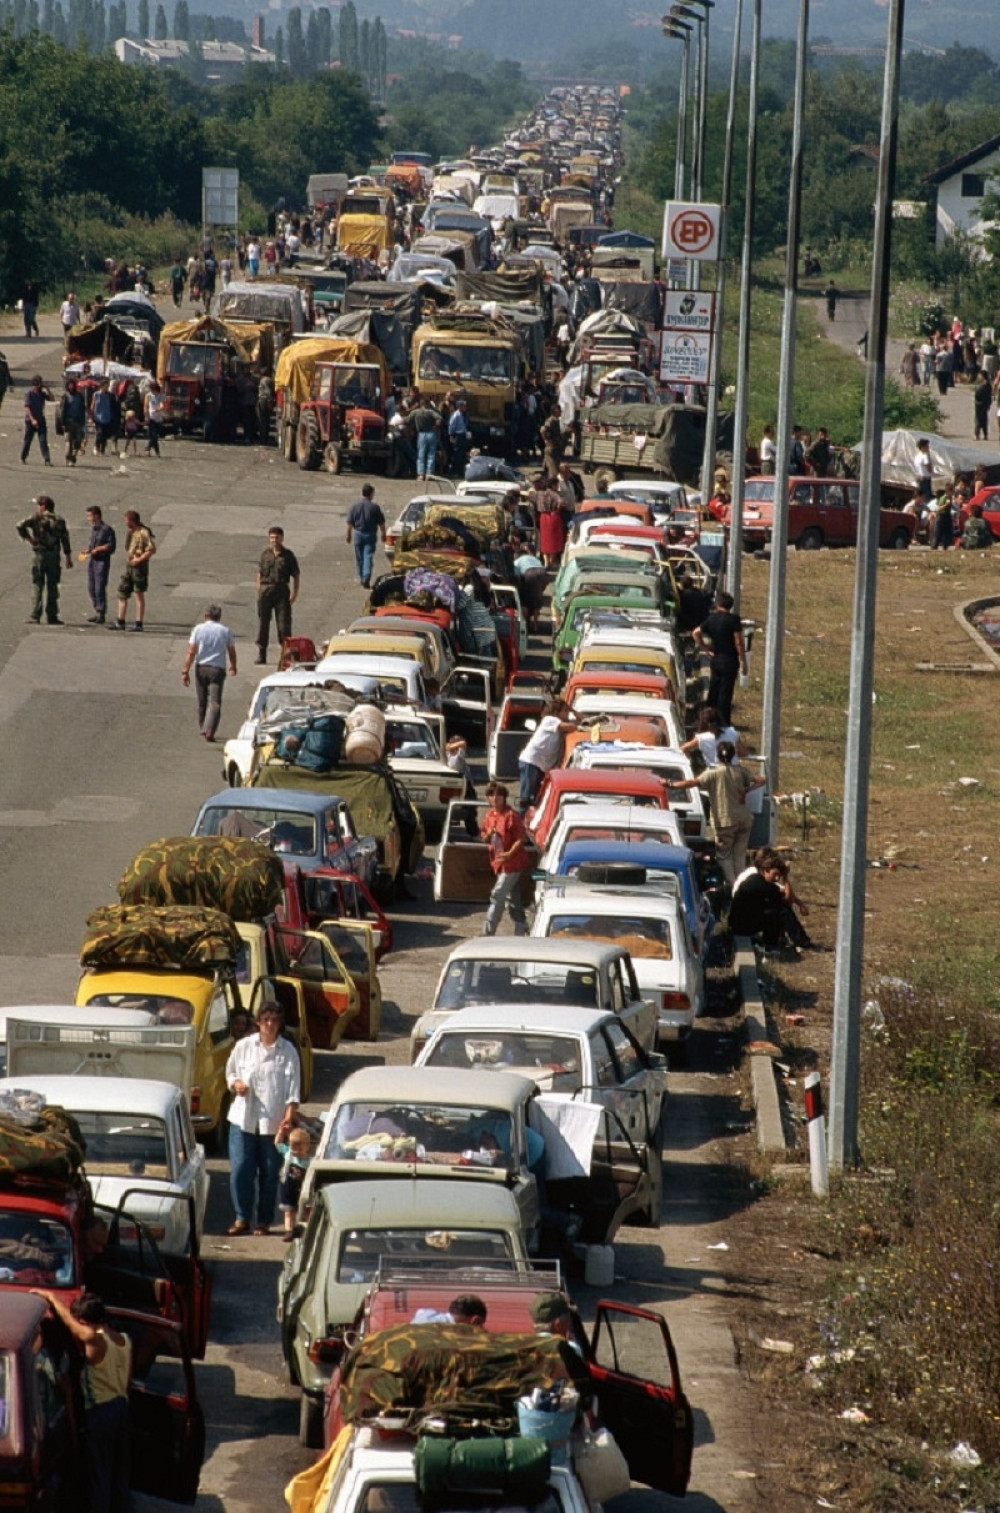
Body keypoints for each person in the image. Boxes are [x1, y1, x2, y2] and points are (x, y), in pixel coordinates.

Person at [32, 1288, 131, 1513]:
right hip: (122, 1409)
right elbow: (126, 1382)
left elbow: (71, 1323)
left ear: (85, 1322)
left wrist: (52, 1299)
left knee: (99, 1477)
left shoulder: (94, 1340)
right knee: (119, 1476)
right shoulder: (124, 1341)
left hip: (101, 1412)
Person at [226, 1000, 301, 1236]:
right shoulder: (244, 1046)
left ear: (280, 1024)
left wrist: (288, 1120)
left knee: (270, 1173)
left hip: (273, 1124)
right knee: (241, 1168)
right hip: (243, 1119)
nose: (269, 1024)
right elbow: (230, 1073)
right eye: (265, 1019)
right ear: (258, 1022)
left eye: (274, 1020)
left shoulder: (288, 1052)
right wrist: (236, 1084)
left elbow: (293, 1092)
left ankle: (264, 1221)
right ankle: (242, 1218)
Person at [674, 741, 762, 887]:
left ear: (718, 756)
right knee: (739, 854)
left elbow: (692, 783)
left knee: (724, 855)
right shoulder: (740, 771)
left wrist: (671, 784)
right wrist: (747, 791)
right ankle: (742, 884)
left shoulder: (713, 774)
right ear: (733, 755)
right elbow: (761, 780)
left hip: (724, 820)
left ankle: (733, 885)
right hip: (744, 819)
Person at [480, 784, 532, 937]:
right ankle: (521, 927)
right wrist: (488, 834)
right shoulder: (489, 815)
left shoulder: (511, 815)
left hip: (513, 863)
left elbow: (521, 838)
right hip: (499, 863)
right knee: (514, 898)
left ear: (504, 797)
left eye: (499, 795)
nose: (495, 799)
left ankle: (488, 931)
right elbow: (484, 837)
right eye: (492, 795)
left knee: (497, 894)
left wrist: (509, 854)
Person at [181, 603, 238, 742]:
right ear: (219, 617)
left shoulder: (198, 629)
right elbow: (231, 651)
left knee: (202, 700)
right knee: (215, 702)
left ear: (206, 616)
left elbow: (191, 651)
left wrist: (185, 670)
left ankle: (202, 726)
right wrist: (233, 666)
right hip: (217, 669)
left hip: (201, 667)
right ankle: (210, 730)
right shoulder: (225, 631)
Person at [693, 591, 748, 726]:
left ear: (718, 604)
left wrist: (706, 650)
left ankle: (708, 718)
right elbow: (738, 642)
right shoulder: (734, 620)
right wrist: (744, 661)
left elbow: (695, 633)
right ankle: (723, 721)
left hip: (716, 658)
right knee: (725, 692)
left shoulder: (711, 619)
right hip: (730, 660)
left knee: (714, 689)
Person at [17, 494, 73, 625]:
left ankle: (35, 614)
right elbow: (65, 539)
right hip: (54, 555)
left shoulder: (36, 517)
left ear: (43, 506)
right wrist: (68, 557)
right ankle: (52, 616)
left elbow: (19, 525)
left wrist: (29, 539)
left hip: (39, 555)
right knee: (53, 586)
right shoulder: (59, 520)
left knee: (38, 584)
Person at [518, 698, 577, 809]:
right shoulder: (550, 720)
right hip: (531, 762)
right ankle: (520, 822)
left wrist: (573, 710)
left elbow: (581, 719)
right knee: (527, 798)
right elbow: (572, 726)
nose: (567, 713)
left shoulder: (561, 723)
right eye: (565, 711)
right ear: (556, 712)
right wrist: (581, 726)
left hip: (541, 766)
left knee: (535, 799)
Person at [256, 525, 300, 665]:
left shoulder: (288, 556)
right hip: (266, 592)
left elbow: (296, 575)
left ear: (282, 538)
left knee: (283, 625)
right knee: (263, 624)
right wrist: (260, 590)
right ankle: (262, 653)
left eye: (277, 537)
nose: (274, 540)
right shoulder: (265, 554)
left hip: (281, 592)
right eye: (272, 537)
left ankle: (285, 655)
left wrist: (294, 594)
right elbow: (259, 573)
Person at [80, 505, 116, 624]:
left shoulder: (107, 529)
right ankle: (97, 609)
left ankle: (101, 612)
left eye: (89, 516)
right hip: (93, 560)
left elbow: (111, 546)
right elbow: (93, 545)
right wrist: (88, 550)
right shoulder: (94, 529)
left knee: (99, 586)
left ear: (96, 515)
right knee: (91, 587)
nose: (88, 518)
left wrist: (99, 549)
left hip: (102, 561)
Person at [276, 1125, 313, 1241]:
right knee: (289, 1211)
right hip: (288, 1186)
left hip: (302, 1188)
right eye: (293, 1148)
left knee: (305, 1211)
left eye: (299, 1149)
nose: (296, 1152)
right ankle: (289, 1231)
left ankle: (305, 1230)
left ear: (307, 1147)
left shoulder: (309, 1160)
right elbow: (277, 1144)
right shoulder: (288, 1153)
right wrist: (281, 1133)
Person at [345, 483, 386, 588]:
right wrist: (383, 534)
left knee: (359, 557)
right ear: (371, 494)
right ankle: (366, 576)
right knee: (368, 555)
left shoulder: (355, 506)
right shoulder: (375, 507)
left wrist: (348, 535)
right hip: (370, 534)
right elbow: (381, 523)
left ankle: (362, 576)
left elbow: (349, 523)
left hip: (358, 534)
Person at [681, 706, 748, 768]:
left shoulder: (701, 738)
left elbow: (682, 749)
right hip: (734, 771)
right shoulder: (732, 732)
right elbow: (744, 752)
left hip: (714, 772)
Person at [21, 373, 54, 465]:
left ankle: (47, 459)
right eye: (37, 384)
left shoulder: (42, 394)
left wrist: (47, 389)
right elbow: (27, 407)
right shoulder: (29, 394)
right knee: (28, 440)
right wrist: (32, 420)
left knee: (43, 440)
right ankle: (23, 456)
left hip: (40, 420)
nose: (39, 386)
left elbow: (52, 399)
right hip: (30, 421)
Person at [56, 376, 87, 465]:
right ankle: (68, 458)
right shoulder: (65, 396)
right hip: (68, 421)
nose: (71, 387)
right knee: (68, 441)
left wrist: (82, 421)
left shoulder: (79, 396)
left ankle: (73, 456)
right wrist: (62, 423)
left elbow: (82, 409)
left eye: (72, 385)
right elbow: (62, 410)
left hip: (78, 422)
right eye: (69, 385)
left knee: (78, 440)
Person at [91, 377, 121, 456]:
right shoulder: (96, 394)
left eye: (107, 386)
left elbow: (114, 406)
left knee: (105, 434)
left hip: (107, 417)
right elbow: (93, 405)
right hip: (98, 417)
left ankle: (102, 450)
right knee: (99, 433)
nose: (106, 388)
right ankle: (96, 447)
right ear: (101, 386)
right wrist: (91, 416)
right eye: (104, 386)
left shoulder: (111, 395)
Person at [144, 379, 166, 456]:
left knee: (155, 436)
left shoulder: (161, 396)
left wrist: (159, 409)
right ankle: (150, 449)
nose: (153, 392)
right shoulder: (148, 395)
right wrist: (146, 416)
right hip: (151, 417)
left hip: (159, 419)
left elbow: (162, 405)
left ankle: (154, 451)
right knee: (153, 435)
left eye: (154, 391)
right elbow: (146, 406)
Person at [448, 397, 470, 475]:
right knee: (457, 454)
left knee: (462, 454)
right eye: (464, 406)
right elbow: (451, 426)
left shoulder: (464, 415)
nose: (465, 407)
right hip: (458, 436)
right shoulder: (456, 415)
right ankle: (454, 471)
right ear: (460, 406)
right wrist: (451, 436)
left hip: (463, 435)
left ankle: (460, 471)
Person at [974, 370, 992, 442]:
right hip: (985, 404)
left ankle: (977, 434)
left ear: (982, 376)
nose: (978, 377)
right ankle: (985, 435)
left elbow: (977, 394)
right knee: (984, 419)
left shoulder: (982, 386)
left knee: (978, 419)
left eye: (979, 375)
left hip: (979, 404)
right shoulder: (988, 385)